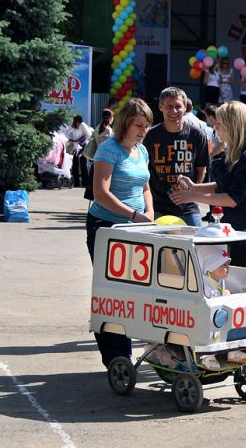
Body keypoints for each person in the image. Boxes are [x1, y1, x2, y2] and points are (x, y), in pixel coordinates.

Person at [85, 98, 154, 368]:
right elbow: (101, 193)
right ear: (126, 123)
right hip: (106, 228)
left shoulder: (142, 150)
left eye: (147, 126)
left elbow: (145, 186)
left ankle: (124, 353)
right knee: (111, 293)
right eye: (139, 125)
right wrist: (134, 215)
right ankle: (116, 357)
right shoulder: (109, 150)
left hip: (135, 228)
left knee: (132, 292)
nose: (143, 130)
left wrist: (149, 213)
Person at [169, 100, 246, 233]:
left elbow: (232, 199)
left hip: (238, 232)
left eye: (219, 124)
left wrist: (191, 196)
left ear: (231, 126)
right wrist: (194, 187)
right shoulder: (231, 154)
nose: (215, 128)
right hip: (220, 226)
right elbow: (221, 186)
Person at [143, 87, 210, 226]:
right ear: (161, 106)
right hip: (157, 207)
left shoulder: (197, 135)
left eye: (178, 106)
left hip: (188, 207)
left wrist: (192, 192)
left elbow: (201, 168)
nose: (174, 111)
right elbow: (144, 170)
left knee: (198, 244)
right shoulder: (151, 135)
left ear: (185, 107)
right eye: (169, 106)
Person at [83, 109, 114, 201]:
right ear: (111, 118)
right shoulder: (108, 130)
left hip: (96, 159)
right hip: (106, 160)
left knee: (94, 185)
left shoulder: (97, 128)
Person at [66, 115, 92, 187]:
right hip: (75, 146)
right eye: (76, 122)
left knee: (83, 164)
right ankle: (76, 182)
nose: (78, 124)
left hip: (83, 146)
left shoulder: (83, 125)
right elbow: (67, 132)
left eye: (79, 122)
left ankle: (85, 183)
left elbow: (89, 134)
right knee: (75, 164)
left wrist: (81, 140)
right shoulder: (73, 126)